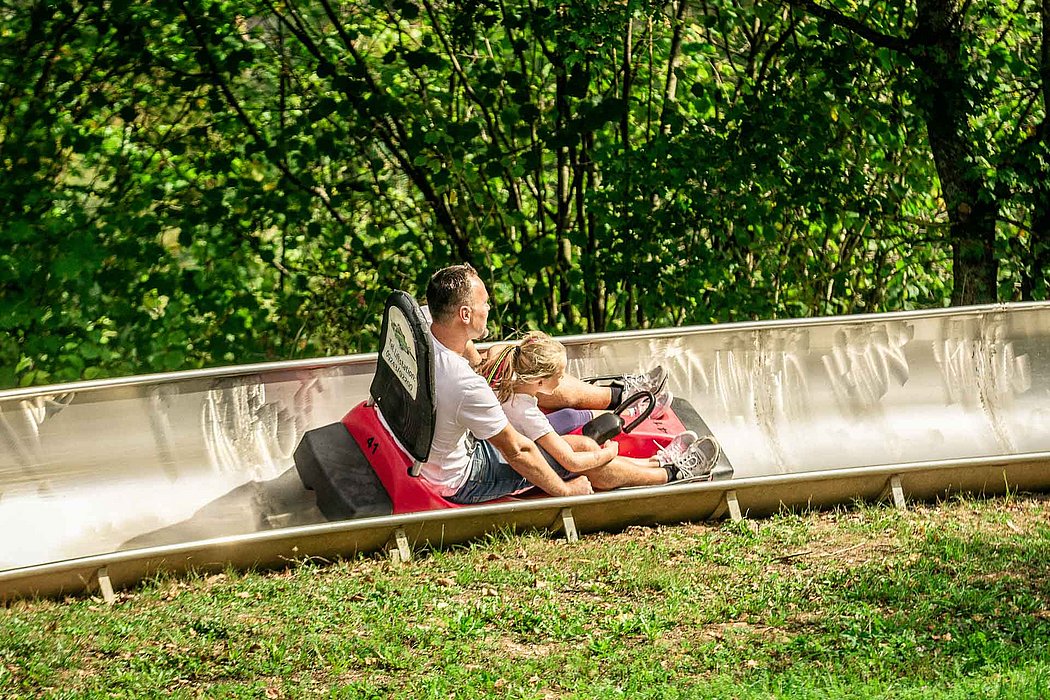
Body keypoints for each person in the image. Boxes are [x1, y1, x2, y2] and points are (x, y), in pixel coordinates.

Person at [477, 330, 718, 485]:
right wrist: (608, 453)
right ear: (539, 382)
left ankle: (645, 441)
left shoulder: (508, 382)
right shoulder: (528, 414)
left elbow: (497, 352)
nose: (563, 380)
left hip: (505, 441)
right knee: (587, 452)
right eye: (559, 376)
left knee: (571, 417)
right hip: (508, 459)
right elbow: (572, 462)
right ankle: (669, 473)